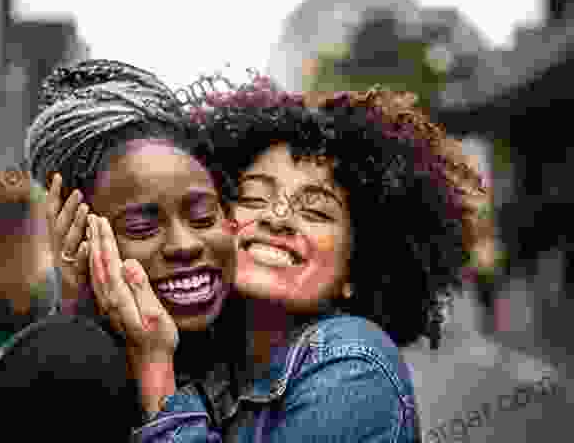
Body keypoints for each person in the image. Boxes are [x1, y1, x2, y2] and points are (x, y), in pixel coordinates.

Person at [95, 78, 487, 442]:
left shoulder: (352, 359)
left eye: (315, 212)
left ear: (357, 265)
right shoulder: (207, 360)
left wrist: (157, 370)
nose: (276, 217)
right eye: (252, 198)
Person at [0, 60, 241, 440]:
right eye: (141, 227)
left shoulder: (261, 350)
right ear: (76, 234)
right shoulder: (69, 364)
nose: (185, 245)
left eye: (202, 217)